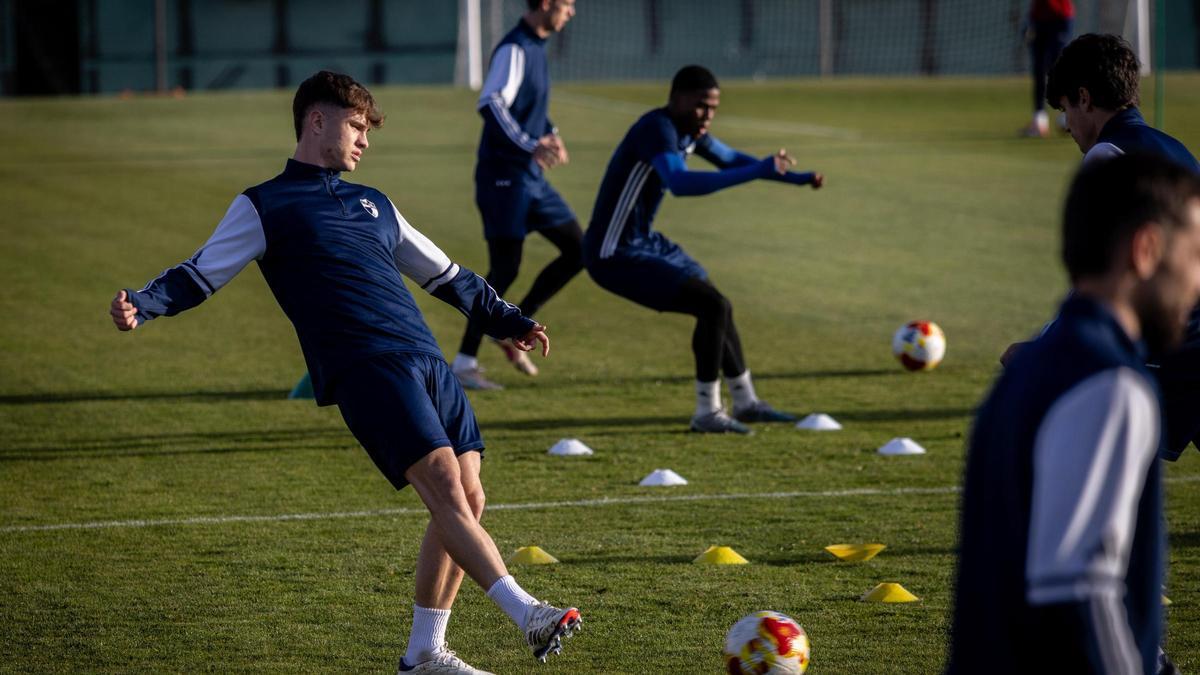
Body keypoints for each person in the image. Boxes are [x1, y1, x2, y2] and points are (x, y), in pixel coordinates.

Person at [108, 71, 580, 675]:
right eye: (356, 126)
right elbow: (200, 272)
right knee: (441, 483)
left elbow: (446, 274)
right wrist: (143, 304)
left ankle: (424, 654)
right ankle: (527, 612)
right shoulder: (264, 204)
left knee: (469, 496)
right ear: (317, 121)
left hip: (425, 358)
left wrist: (508, 320)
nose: (364, 140)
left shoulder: (374, 202)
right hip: (364, 364)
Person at [948, 153, 1200, 674]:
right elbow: (1080, 594)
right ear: (1146, 250)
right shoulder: (1110, 385)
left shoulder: (1029, 367)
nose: (1198, 282)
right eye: (1195, 255)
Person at [582, 65, 823, 434]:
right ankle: (707, 412)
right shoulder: (657, 129)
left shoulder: (690, 132)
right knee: (713, 305)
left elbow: (731, 158)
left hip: (644, 242)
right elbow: (679, 182)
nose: (708, 115)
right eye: (701, 106)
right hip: (613, 254)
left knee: (715, 303)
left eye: (713, 108)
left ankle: (746, 403)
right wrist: (757, 171)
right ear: (677, 99)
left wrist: (796, 178)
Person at [1010, 33, 1200, 458]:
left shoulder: (1107, 157)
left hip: (1179, 340)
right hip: (1191, 335)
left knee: (1083, 426)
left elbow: (1100, 283)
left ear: (1085, 98)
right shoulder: (1175, 149)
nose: (1067, 126)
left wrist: (1042, 349)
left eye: (1065, 110)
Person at [451, 0, 582, 391]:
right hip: (503, 178)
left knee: (581, 249)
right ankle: (464, 363)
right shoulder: (514, 48)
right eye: (567, 4)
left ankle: (513, 324)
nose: (571, 12)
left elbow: (529, 106)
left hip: (531, 179)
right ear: (545, 3)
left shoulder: (536, 47)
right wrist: (530, 144)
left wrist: (551, 134)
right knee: (504, 269)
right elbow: (491, 103)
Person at [1020, 0, 1073, 138]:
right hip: (1038, 18)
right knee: (1039, 70)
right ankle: (1039, 120)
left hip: (1060, 16)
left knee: (1058, 69)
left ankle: (1067, 115)